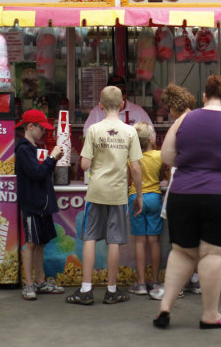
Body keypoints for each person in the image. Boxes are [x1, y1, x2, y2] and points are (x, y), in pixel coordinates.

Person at [152, 75, 221, 329]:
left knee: (182, 251)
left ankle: (165, 307)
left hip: (183, 194)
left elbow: (168, 156)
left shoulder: (184, 119)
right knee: (213, 253)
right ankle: (210, 314)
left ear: (203, 97)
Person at [67, 86, 143, 306]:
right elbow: (136, 168)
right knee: (114, 241)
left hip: (96, 191)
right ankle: (111, 290)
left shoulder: (93, 130)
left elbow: (84, 164)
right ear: (122, 105)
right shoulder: (130, 132)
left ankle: (86, 289)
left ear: (99, 105)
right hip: (118, 193)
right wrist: (138, 195)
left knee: (90, 238)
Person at [15, 109, 65, 301]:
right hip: (32, 204)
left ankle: (40, 280)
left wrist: (52, 159)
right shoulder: (23, 150)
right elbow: (37, 173)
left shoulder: (35, 148)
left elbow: (41, 172)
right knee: (30, 243)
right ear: (30, 127)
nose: (44, 132)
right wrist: (52, 158)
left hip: (42, 205)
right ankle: (28, 284)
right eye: (41, 128)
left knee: (40, 243)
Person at [158, 83, 201, 296]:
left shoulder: (179, 124)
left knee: (178, 241)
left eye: (168, 107)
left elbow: (167, 157)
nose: (167, 112)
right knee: (196, 237)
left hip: (182, 186)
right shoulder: (201, 120)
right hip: (199, 187)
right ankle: (195, 278)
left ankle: (177, 284)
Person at [128, 121, 167, 300]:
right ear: (151, 139)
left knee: (139, 242)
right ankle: (155, 280)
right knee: (154, 241)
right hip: (155, 198)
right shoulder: (160, 156)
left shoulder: (131, 158)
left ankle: (141, 282)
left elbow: (128, 179)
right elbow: (162, 176)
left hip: (136, 198)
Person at [83, 74, 153, 134]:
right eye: (115, 93)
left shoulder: (138, 112)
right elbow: (87, 134)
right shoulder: (97, 112)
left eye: (122, 92)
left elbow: (151, 134)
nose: (120, 96)